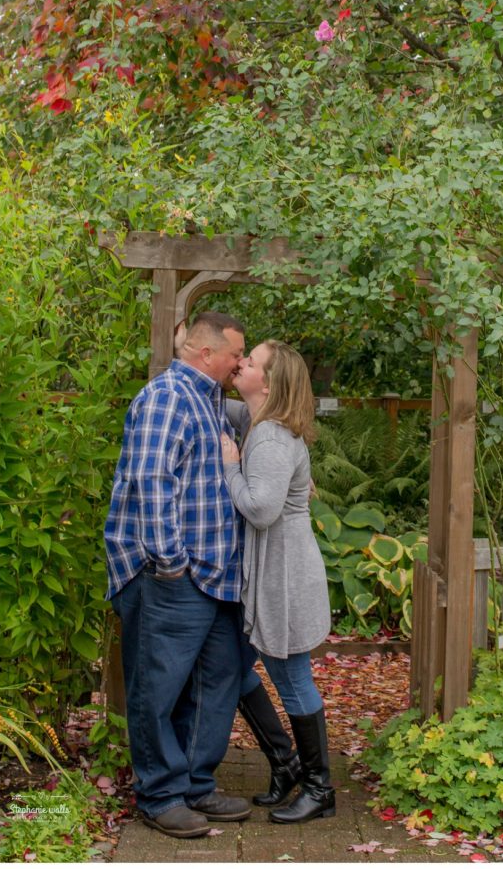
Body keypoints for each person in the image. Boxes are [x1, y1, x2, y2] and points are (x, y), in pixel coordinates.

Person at [104, 311, 252, 838]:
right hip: (170, 575)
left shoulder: (209, 401)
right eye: (236, 353)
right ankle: (161, 794)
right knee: (158, 688)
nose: (241, 362)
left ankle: (194, 783)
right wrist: (169, 562)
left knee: (218, 681)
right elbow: (150, 480)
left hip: (213, 576)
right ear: (206, 354)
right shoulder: (167, 397)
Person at [221, 340, 335, 824]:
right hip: (282, 567)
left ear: (266, 382)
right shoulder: (267, 426)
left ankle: (319, 787)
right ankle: (286, 764)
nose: (240, 362)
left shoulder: (267, 437)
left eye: (250, 361)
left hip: (283, 576)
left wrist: (230, 466)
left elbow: (262, 510)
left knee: (292, 681)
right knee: (235, 665)